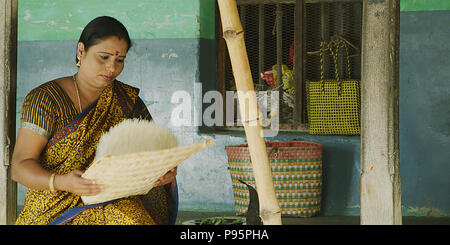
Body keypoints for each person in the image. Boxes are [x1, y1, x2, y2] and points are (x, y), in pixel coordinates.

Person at [11, 16, 178, 225]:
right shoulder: (46, 99)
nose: (112, 68)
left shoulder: (127, 101)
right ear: (81, 51)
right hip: (54, 206)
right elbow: (20, 167)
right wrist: (63, 182)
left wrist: (164, 170)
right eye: (104, 57)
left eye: (120, 60)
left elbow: (155, 153)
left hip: (114, 199)